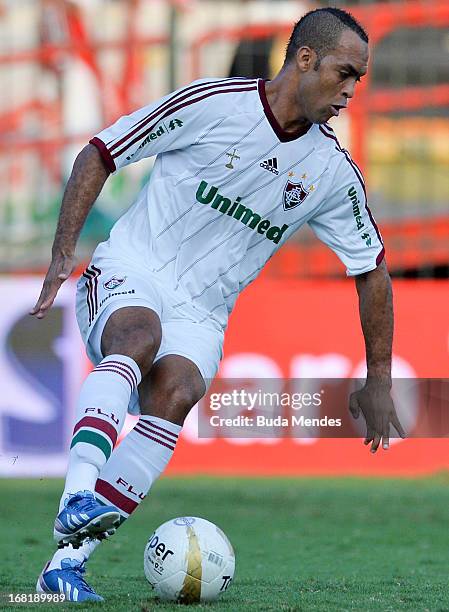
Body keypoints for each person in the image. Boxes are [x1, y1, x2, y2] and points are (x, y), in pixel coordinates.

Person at [31, 7, 405, 602]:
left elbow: (372, 269)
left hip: (203, 312)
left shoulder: (332, 172)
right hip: (133, 268)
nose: (350, 92)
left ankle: (64, 565)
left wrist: (378, 374)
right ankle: (77, 490)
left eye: (359, 80)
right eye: (344, 73)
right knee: (138, 339)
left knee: (176, 391)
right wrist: (60, 257)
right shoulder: (212, 104)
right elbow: (100, 154)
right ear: (304, 59)